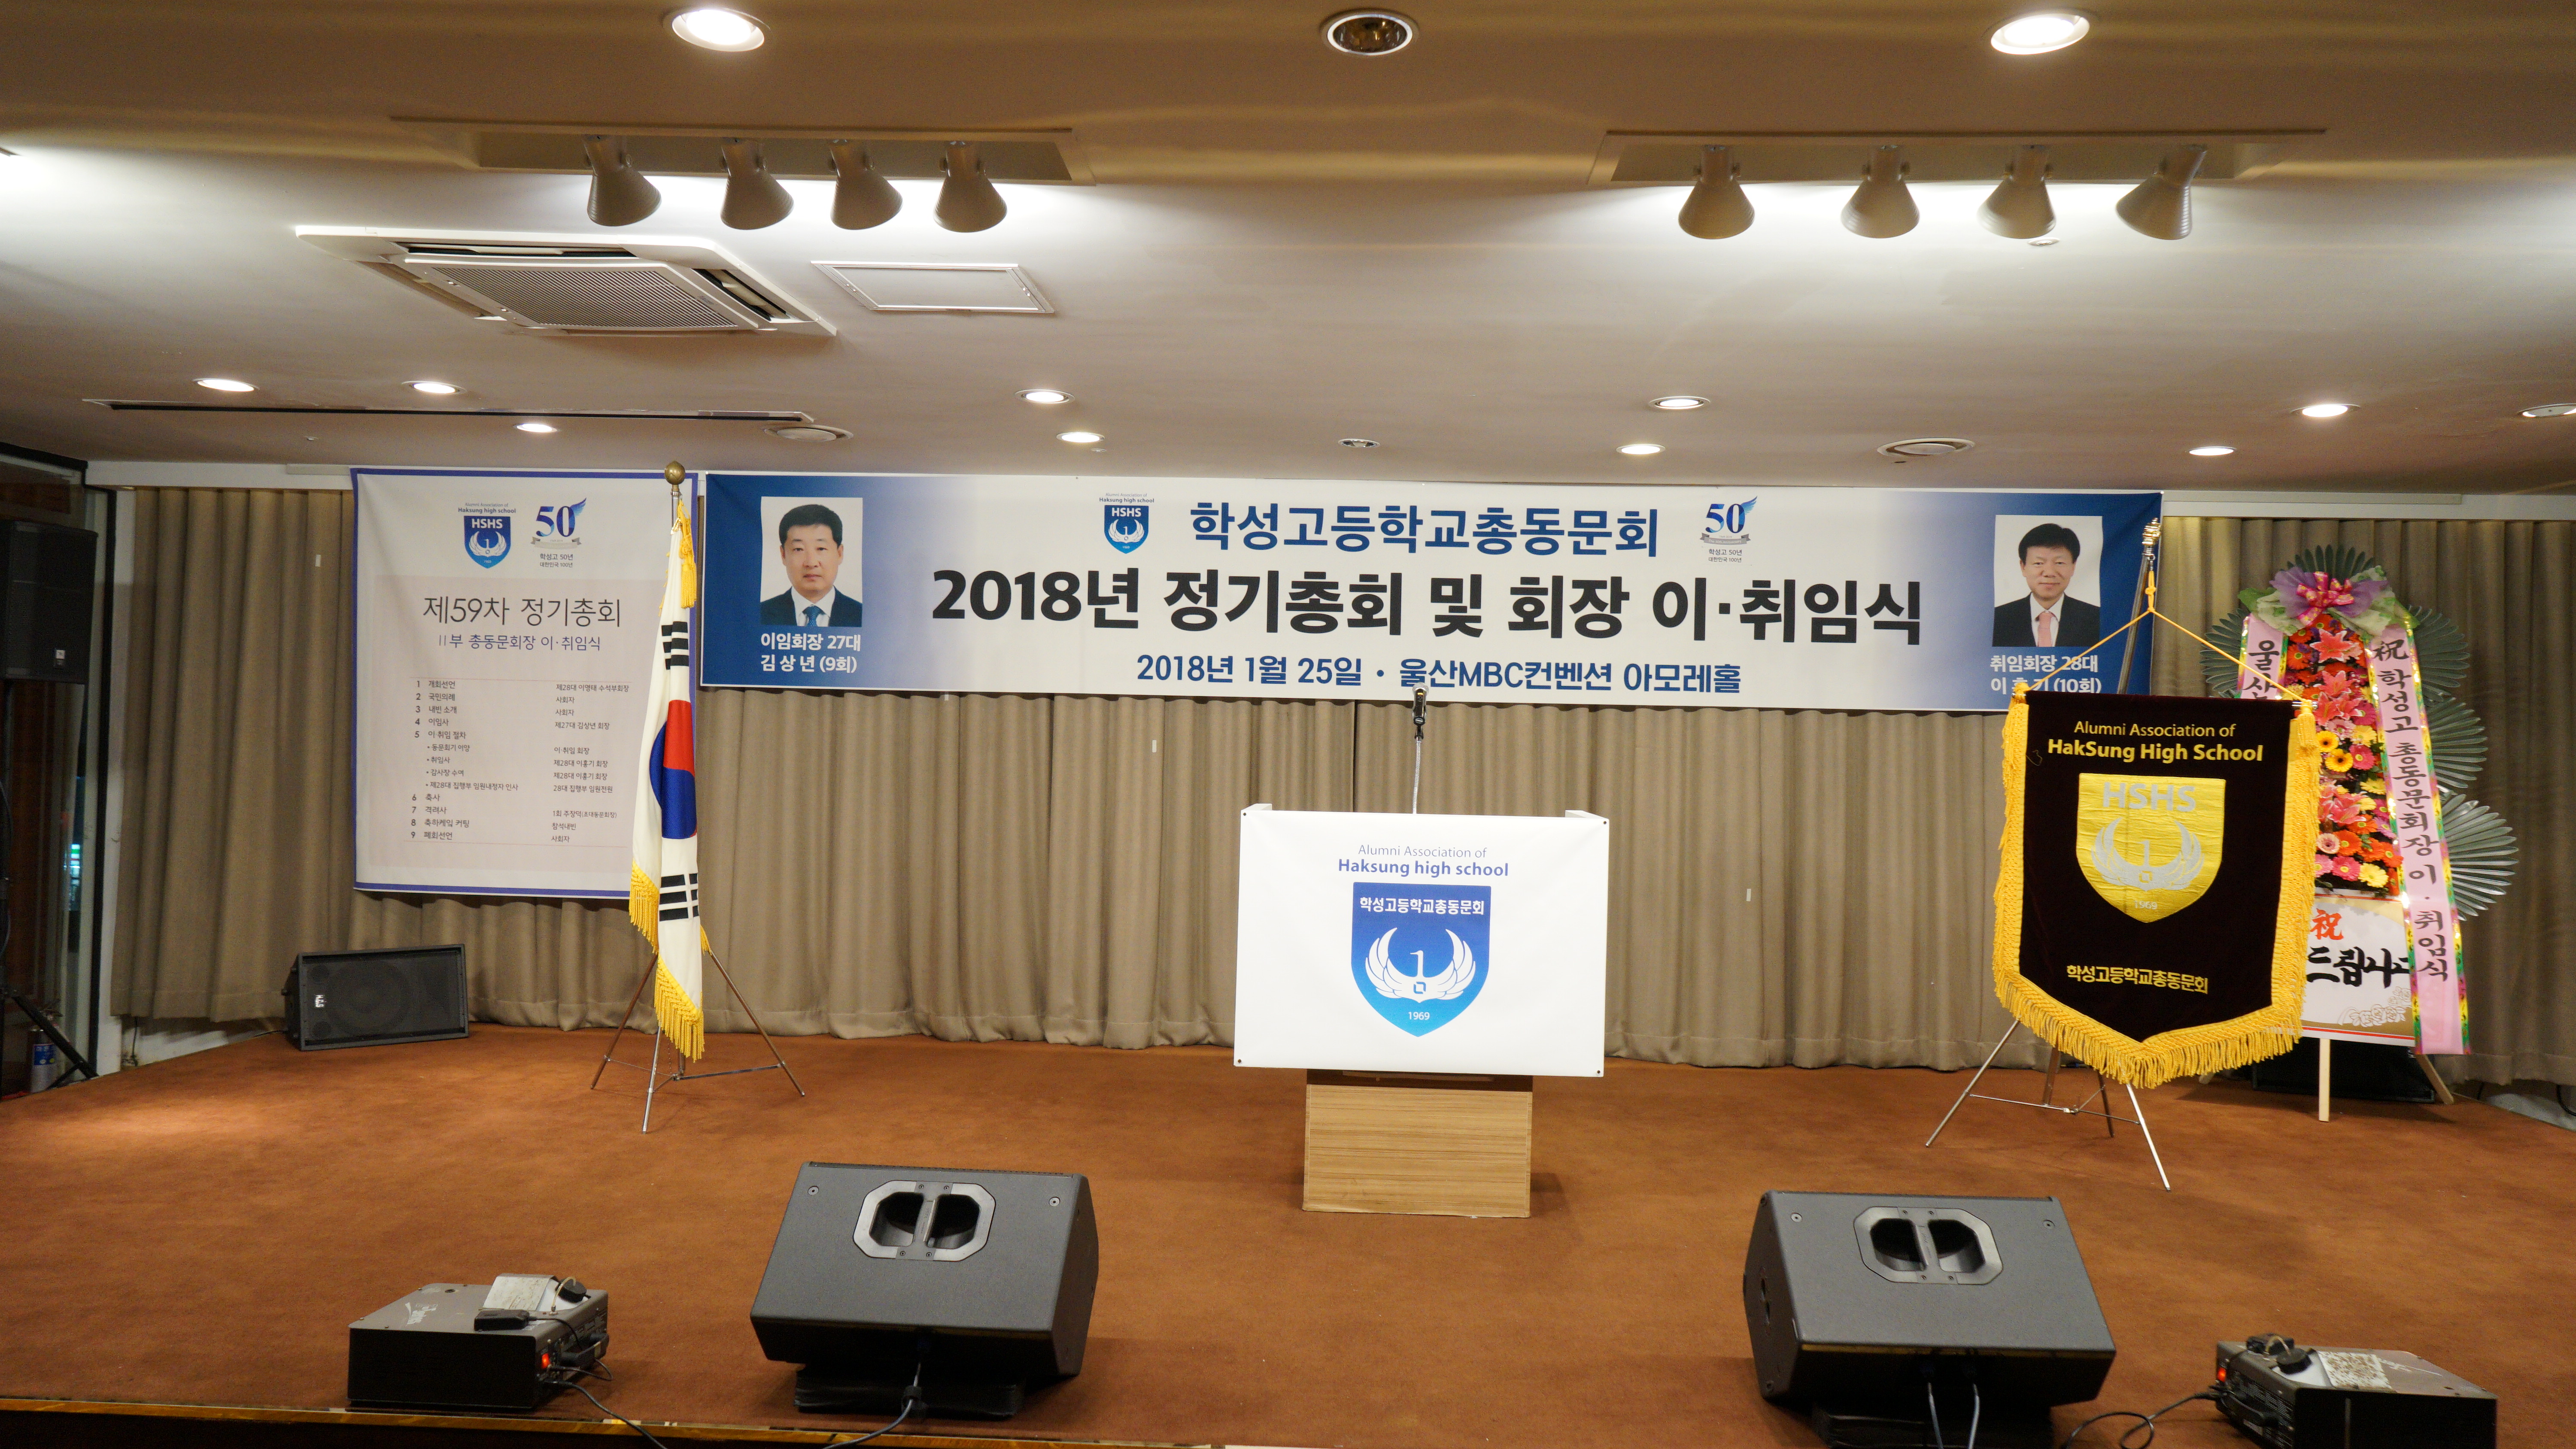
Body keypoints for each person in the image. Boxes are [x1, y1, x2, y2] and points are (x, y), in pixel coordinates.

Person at [1993, 522, 2100, 648]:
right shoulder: (1997, 619)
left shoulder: (2097, 619)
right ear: (2023, 567)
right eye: (2038, 563)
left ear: (2073, 566)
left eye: (2059, 563)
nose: (2049, 573)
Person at [759, 503, 863, 628]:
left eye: (821, 549)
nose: (811, 563)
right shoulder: (760, 615)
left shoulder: (863, 616)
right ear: (784, 555)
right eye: (798, 549)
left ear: (840, 554)